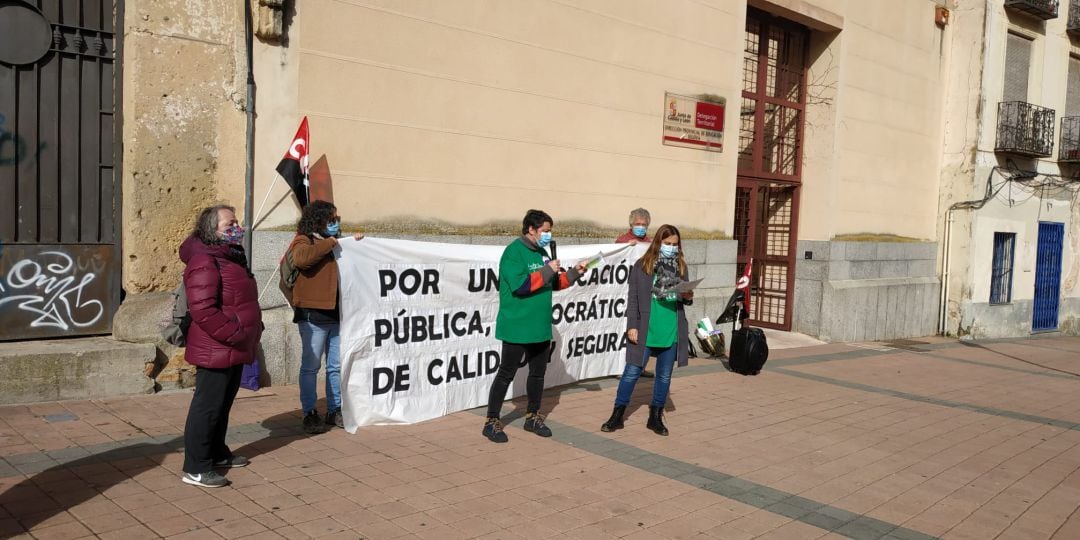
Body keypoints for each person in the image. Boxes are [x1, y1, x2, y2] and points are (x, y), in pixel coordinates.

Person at [482, 209, 588, 443]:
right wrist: (547, 270)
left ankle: (533, 417)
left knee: (537, 374)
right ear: (531, 229)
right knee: (506, 373)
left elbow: (554, 282)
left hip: (539, 326)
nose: (548, 235)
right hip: (517, 326)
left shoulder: (542, 253)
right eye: (545, 231)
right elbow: (521, 286)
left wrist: (574, 273)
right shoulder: (513, 253)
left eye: (550, 231)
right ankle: (491, 421)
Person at [180, 204, 263, 488]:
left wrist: (251, 331)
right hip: (217, 346)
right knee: (207, 406)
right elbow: (203, 309)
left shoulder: (230, 256)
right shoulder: (205, 260)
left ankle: (217, 453)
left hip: (234, 345)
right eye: (229, 224)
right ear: (211, 229)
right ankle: (196, 466)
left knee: (222, 404)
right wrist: (235, 333)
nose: (236, 228)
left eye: (236, 222)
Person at [601, 224, 692, 436]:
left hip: (670, 329)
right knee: (632, 372)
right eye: (667, 244)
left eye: (675, 245)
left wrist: (688, 296)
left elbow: (684, 296)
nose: (671, 248)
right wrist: (632, 325)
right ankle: (617, 414)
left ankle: (655, 415)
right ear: (658, 243)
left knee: (663, 377)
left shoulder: (681, 267)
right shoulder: (642, 266)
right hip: (644, 329)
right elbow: (632, 299)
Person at [288, 200, 363, 434]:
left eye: (336, 219)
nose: (335, 223)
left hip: (338, 315)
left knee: (335, 366)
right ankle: (309, 411)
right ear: (318, 219)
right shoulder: (303, 240)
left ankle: (335, 409)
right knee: (310, 367)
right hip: (313, 316)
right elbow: (302, 259)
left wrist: (355, 244)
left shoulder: (337, 244)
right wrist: (332, 242)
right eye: (331, 219)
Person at [615, 208, 655, 378]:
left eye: (644, 225)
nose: (641, 227)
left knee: (642, 330)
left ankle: (640, 365)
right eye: (637, 224)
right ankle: (620, 367)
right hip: (624, 292)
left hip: (642, 293)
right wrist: (626, 247)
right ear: (631, 224)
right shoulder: (622, 241)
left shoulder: (651, 244)